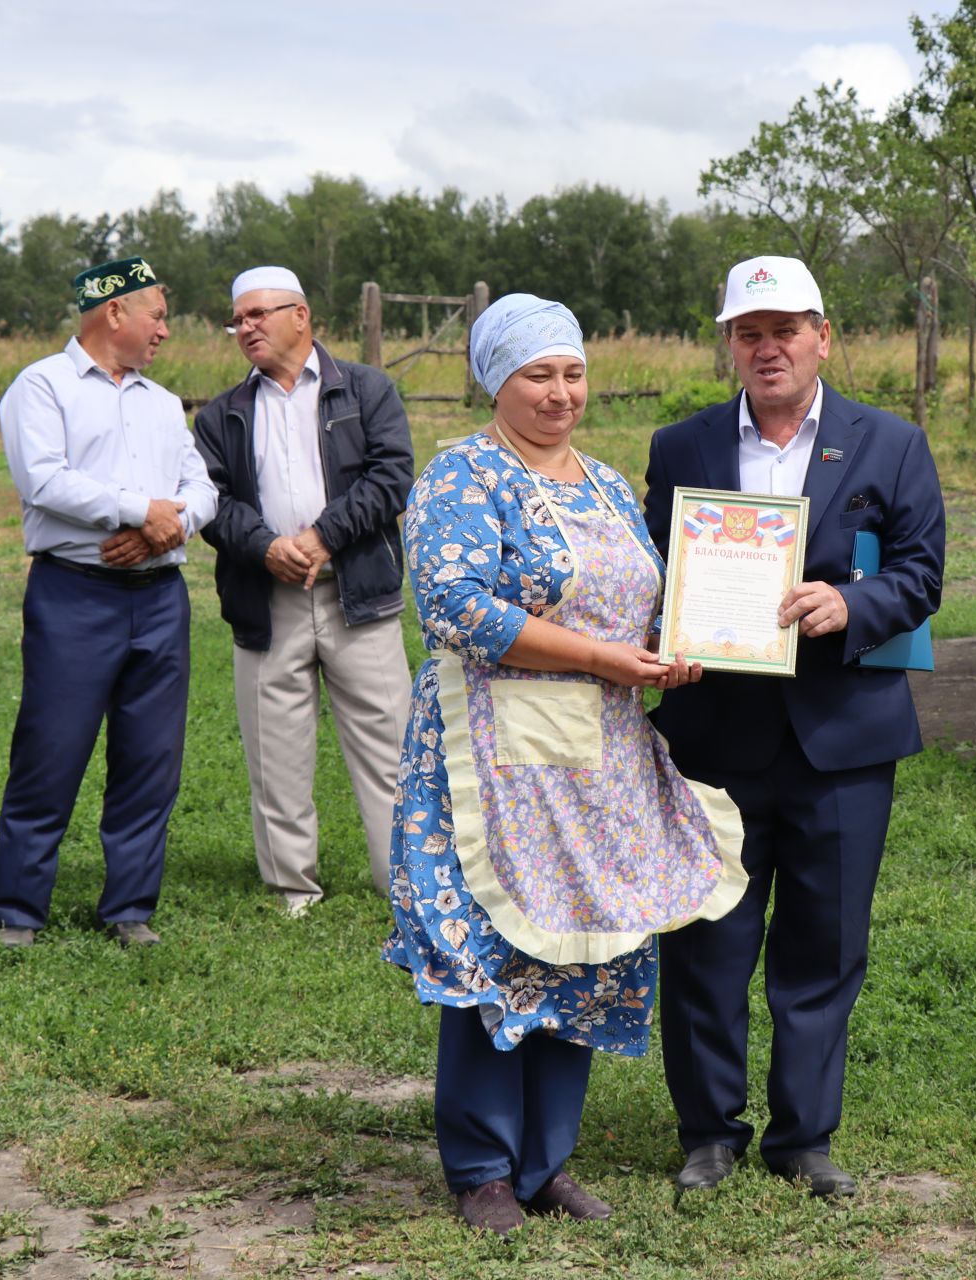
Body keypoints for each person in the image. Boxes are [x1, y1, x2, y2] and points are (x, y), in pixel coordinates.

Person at [384, 294, 745, 1234]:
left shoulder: (611, 485)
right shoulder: (463, 475)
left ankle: (546, 1164)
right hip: (496, 749)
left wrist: (679, 644)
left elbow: (645, 600)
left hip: (599, 755)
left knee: (584, 940)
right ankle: (482, 1169)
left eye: (572, 373)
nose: (559, 394)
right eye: (536, 375)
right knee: (501, 947)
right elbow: (454, 606)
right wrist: (600, 656)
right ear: (495, 381)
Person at [643, 255, 946, 1198]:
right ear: (729, 343)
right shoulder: (680, 446)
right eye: (749, 332)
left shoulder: (891, 443)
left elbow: (921, 573)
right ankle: (708, 1133)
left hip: (843, 740)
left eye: (786, 330)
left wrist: (853, 606)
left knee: (825, 944)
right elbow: (658, 574)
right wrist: (672, 634)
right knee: (707, 943)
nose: (767, 348)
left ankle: (804, 1139)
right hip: (714, 737)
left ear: (823, 336)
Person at [0, 257, 218, 948]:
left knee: (151, 755)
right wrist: (135, 510)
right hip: (74, 595)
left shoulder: (161, 401)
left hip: (159, 595)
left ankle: (129, 907)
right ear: (114, 311)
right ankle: (19, 909)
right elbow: (44, 480)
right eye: (157, 313)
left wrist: (164, 530)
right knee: (51, 747)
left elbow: (200, 486)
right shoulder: (42, 387)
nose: (166, 331)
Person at [194, 267, 413, 916]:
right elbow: (212, 502)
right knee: (276, 751)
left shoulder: (368, 390)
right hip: (267, 600)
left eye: (259, 314)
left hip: (359, 595)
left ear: (301, 316)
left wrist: (322, 538)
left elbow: (392, 475)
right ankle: (294, 888)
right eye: (239, 319)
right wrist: (265, 546)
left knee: (389, 744)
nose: (247, 328)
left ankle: (402, 879)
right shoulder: (221, 414)